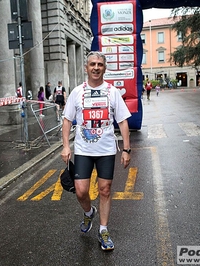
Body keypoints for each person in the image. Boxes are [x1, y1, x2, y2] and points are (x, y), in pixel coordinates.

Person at [60, 51, 131, 251]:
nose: (96, 67)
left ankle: (103, 230)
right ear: (86, 67)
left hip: (106, 150)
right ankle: (89, 212)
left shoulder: (112, 92)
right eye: (93, 64)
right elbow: (67, 120)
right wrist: (66, 146)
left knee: (105, 190)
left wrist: (126, 149)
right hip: (83, 149)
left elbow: (123, 121)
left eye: (100, 64)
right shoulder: (77, 92)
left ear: (104, 68)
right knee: (81, 190)